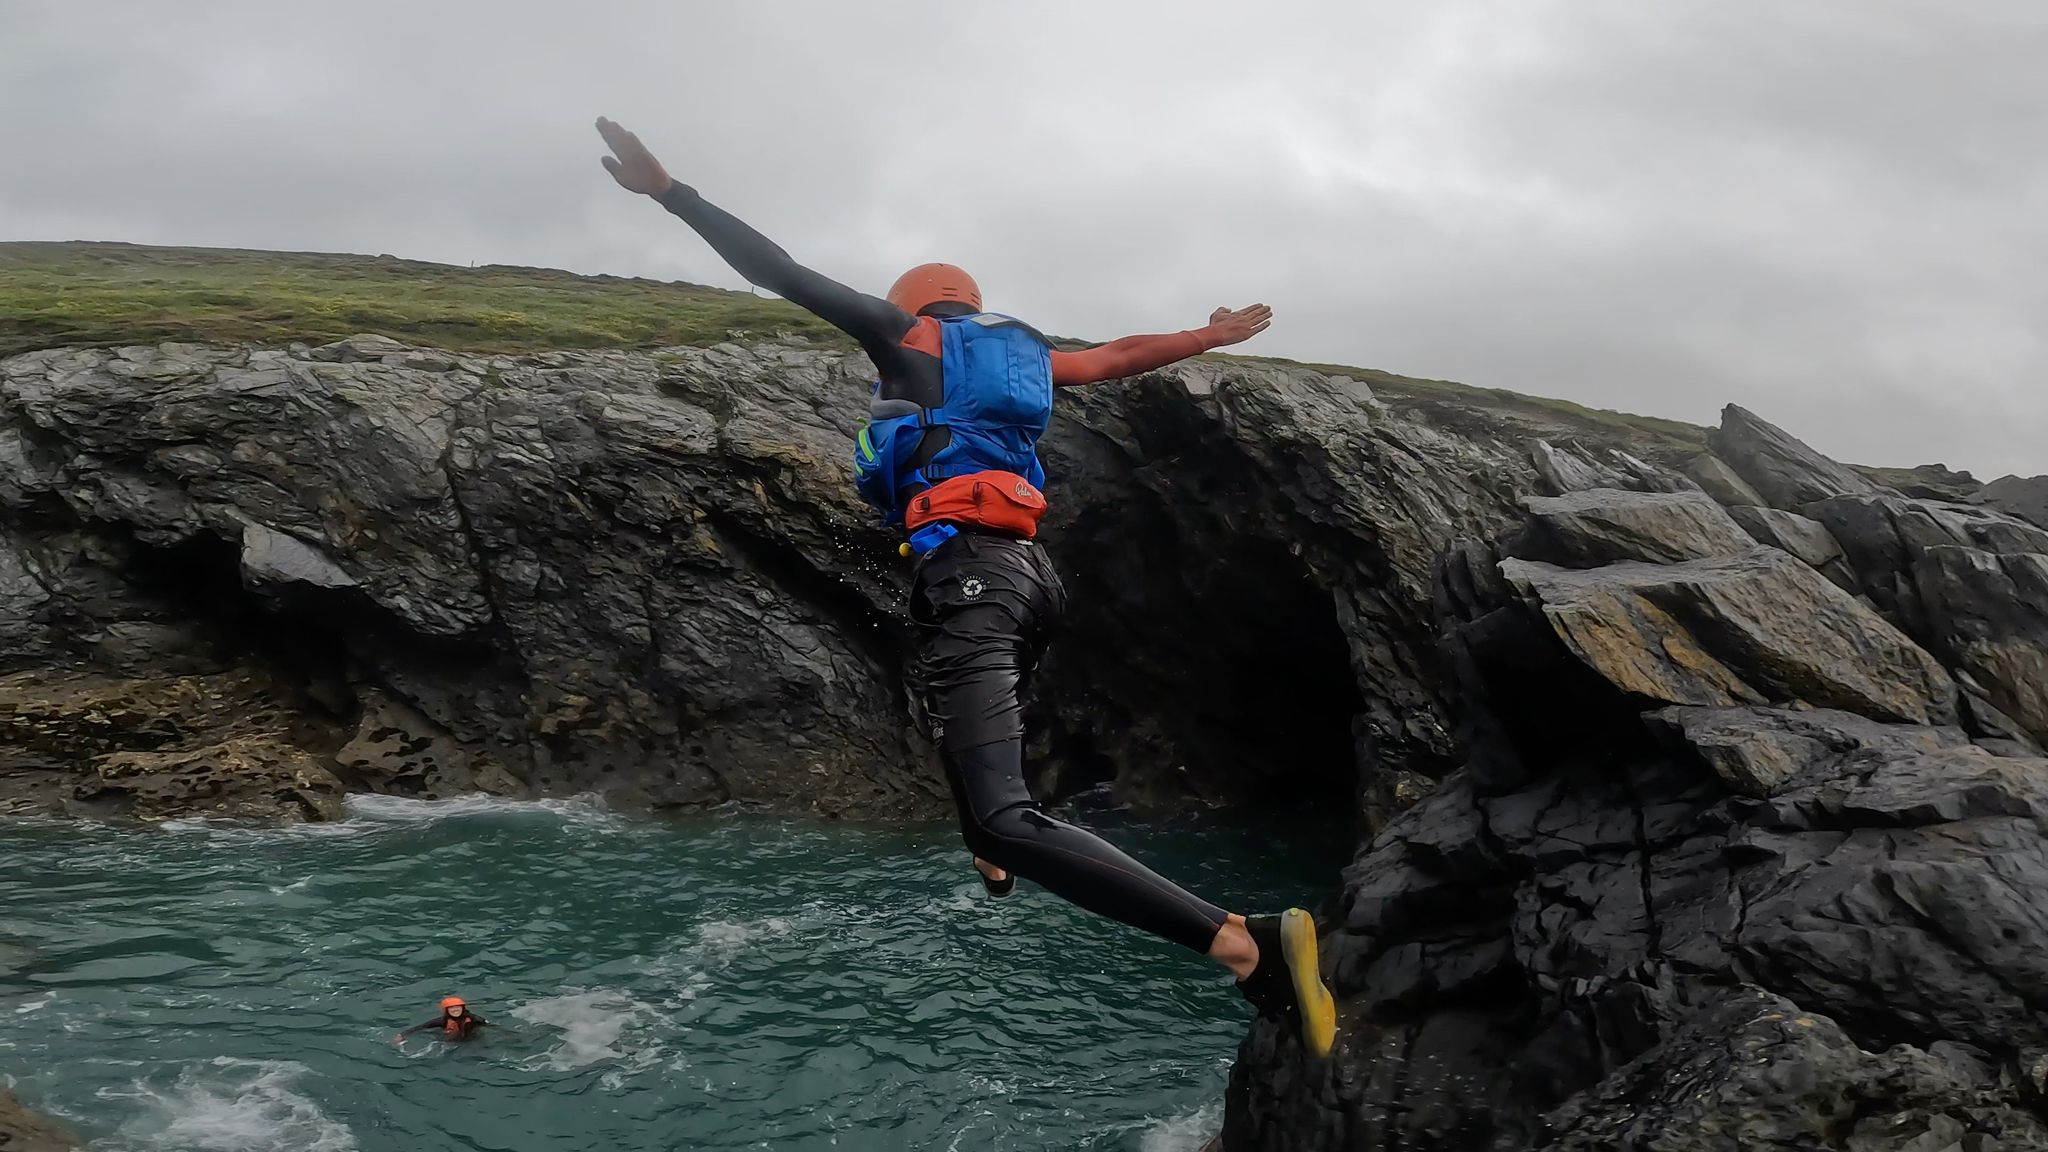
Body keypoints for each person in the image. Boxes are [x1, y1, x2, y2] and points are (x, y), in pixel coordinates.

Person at [595, 117, 1337, 1058]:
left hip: (976, 578)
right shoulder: (1026, 354)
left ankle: (1244, 945)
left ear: (912, 305)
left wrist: (672, 194)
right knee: (960, 734)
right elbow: (1114, 357)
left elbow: (777, 269)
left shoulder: (904, 335)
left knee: (1006, 806)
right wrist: (1209, 333)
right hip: (1030, 584)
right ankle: (991, 842)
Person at [393, 996, 491, 1044]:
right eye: (452, 1008)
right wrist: (402, 1035)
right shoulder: (442, 1021)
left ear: (463, 1008)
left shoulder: (474, 1018)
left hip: (473, 1039)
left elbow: (491, 1026)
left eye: (458, 1007)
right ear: (447, 1011)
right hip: (452, 1041)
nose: (455, 1010)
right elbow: (422, 1027)